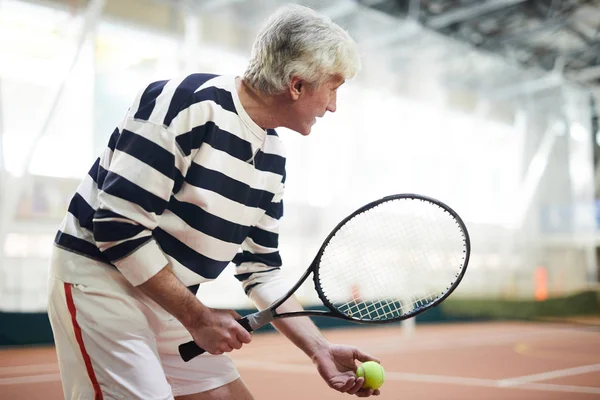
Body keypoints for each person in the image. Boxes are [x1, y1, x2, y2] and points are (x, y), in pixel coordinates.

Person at [47, 3, 381, 399]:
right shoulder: (185, 103)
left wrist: (319, 349)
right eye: (333, 87)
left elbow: (261, 271)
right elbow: (118, 227)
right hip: (102, 283)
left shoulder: (273, 158)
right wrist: (197, 317)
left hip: (171, 296)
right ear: (297, 85)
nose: (333, 106)